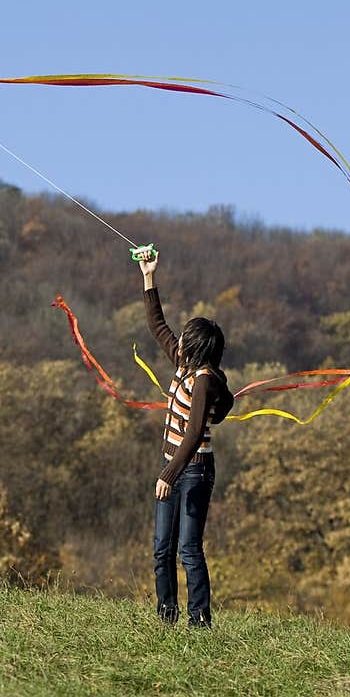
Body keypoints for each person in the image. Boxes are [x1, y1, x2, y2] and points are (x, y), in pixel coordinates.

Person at [137, 248, 234, 628]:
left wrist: (169, 474)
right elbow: (157, 325)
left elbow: (194, 434)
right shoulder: (183, 361)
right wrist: (149, 276)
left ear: (199, 349)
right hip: (174, 467)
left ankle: (199, 622)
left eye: (186, 341)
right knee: (162, 550)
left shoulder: (206, 379)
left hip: (192, 471)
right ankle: (166, 618)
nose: (178, 344)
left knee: (188, 550)